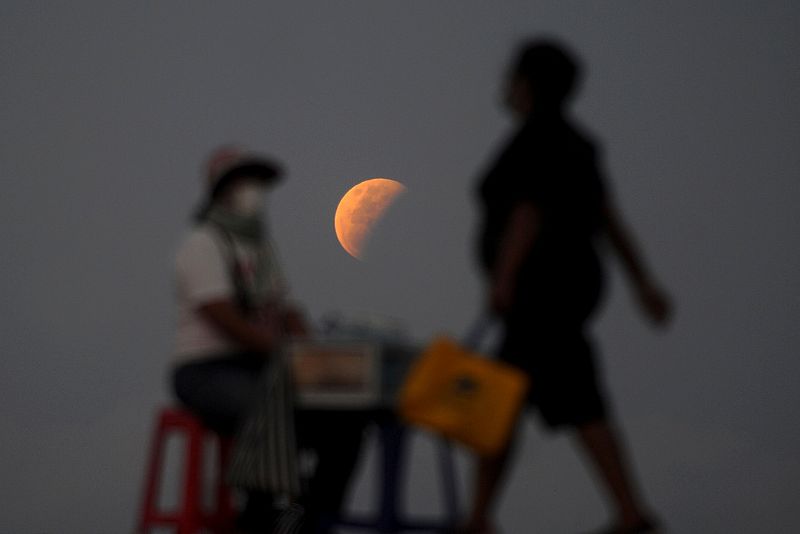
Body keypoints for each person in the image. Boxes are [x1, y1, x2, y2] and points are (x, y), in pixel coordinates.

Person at [466, 39, 672, 534]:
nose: (507, 86)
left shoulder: (538, 140)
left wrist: (505, 278)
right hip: (563, 294)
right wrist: (642, 282)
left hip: (542, 295)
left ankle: (627, 513)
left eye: (514, 77)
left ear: (529, 84)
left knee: (542, 400)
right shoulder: (577, 144)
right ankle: (480, 517)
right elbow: (609, 219)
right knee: (519, 399)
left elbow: (528, 212)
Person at [171, 146, 365, 533]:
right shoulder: (202, 244)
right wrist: (283, 351)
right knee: (266, 409)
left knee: (346, 418)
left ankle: (310, 518)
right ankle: (255, 517)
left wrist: (312, 354)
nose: (255, 190)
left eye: (258, 182)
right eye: (246, 181)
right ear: (222, 189)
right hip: (206, 369)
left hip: (264, 367)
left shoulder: (262, 249)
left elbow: (285, 308)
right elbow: (221, 315)